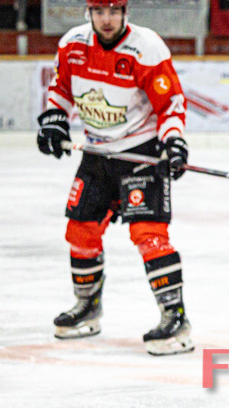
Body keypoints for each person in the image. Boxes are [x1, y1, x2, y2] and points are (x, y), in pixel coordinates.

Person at [37, 0, 194, 355]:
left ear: (125, 12)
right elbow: (60, 89)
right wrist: (54, 119)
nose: (106, 20)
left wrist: (173, 142)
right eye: (99, 12)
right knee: (80, 229)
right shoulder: (73, 45)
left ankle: (176, 318)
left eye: (113, 11)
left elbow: (170, 104)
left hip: (141, 152)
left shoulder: (146, 47)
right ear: (88, 13)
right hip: (97, 153)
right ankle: (88, 307)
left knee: (149, 235)